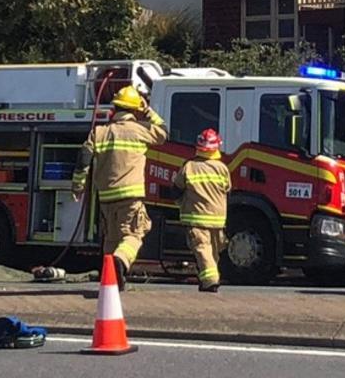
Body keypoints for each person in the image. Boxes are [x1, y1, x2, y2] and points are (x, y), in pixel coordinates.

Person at [72, 85, 167, 291]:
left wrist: (78, 186)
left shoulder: (99, 132)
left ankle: (110, 281)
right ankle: (120, 261)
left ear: (115, 109)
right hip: (131, 195)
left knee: (112, 238)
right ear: (134, 110)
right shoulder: (141, 131)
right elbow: (163, 132)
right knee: (134, 234)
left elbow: (83, 159)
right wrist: (147, 110)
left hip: (106, 198)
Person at [173, 128, 231, 293]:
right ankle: (207, 279)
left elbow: (176, 190)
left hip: (197, 217)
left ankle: (210, 280)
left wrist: (180, 203)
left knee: (202, 248)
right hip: (218, 219)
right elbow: (228, 190)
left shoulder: (189, 166)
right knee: (213, 251)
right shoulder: (222, 169)